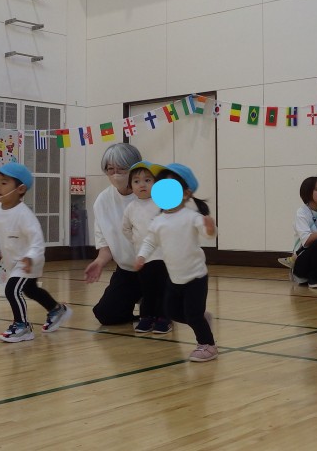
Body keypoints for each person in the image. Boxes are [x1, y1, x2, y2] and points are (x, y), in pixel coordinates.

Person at [135, 163, 218, 362]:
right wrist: (142, 256)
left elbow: (208, 235)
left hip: (196, 277)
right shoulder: (158, 221)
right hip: (174, 278)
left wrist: (210, 228)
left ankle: (208, 345)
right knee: (172, 312)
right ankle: (202, 319)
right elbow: (150, 241)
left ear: (186, 193)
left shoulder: (191, 217)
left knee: (192, 315)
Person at [0, 163, 72, 342]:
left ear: (21, 189)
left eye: (4, 183)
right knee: (30, 290)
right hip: (13, 262)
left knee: (11, 289)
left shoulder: (24, 214)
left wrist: (30, 257)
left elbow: (37, 240)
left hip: (28, 261)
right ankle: (56, 309)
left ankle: (22, 326)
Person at [84, 143, 143, 325]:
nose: (116, 174)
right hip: (127, 270)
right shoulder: (102, 201)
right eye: (111, 169)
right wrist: (99, 262)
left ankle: (158, 304)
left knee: (158, 316)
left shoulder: (150, 196)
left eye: (122, 169)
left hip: (155, 270)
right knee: (106, 314)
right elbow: (106, 245)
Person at [122, 161, 172, 334]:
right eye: (136, 181)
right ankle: (146, 317)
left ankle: (164, 317)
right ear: (131, 186)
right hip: (143, 258)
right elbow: (125, 229)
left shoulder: (162, 203)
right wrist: (137, 241)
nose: (142, 185)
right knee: (147, 289)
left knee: (163, 288)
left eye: (147, 180)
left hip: (163, 257)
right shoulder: (131, 208)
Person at [278, 177, 317, 286]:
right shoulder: (301, 213)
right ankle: (309, 278)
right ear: (308, 192)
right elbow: (307, 240)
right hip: (302, 259)